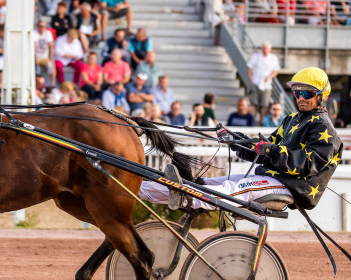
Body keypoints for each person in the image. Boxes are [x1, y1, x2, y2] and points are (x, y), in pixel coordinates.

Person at [139, 67, 343, 212]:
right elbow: (263, 149)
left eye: (306, 93)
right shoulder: (292, 119)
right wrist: (235, 140)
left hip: (290, 186)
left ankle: (178, 195)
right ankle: (140, 189)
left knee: (227, 191)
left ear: (321, 96)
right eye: (296, 92)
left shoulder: (323, 126)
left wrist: (272, 150)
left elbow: (308, 164)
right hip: (271, 178)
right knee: (206, 182)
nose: (300, 98)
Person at [247, 41, 280, 123]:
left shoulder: (273, 58)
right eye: (263, 48)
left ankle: (262, 122)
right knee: (254, 104)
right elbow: (250, 68)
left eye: (266, 48)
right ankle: (253, 121)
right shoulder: (256, 56)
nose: (265, 50)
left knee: (264, 104)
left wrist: (269, 77)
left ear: (270, 49)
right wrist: (251, 81)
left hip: (267, 85)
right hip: (255, 83)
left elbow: (275, 71)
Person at [34, 20, 56, 87]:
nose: (42, 28)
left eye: (44, 27)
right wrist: (35, 58)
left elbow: (51, 46)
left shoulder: (48, 33)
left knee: (51, 65)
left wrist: (51, 58)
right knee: (37, 70)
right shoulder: (34, 33)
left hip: (44, 58)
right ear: (37, 27)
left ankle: (53, 85)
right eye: (40, 26)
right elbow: (33, 46)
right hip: (36, 57)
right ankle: (38, 85)